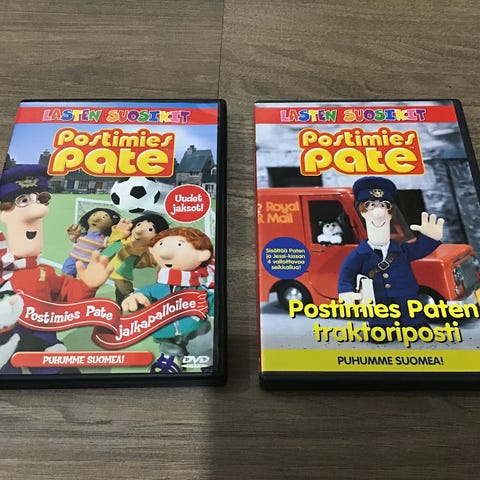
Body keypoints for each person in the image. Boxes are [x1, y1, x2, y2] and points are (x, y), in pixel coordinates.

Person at [0, 163, 112, 373]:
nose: (38, 207)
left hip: (43, 342)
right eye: (23, 200)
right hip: (2, 344)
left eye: (40, 199)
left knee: (62, 373)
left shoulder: (44, 272)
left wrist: (87, 284)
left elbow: (67, 293)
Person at [338, 176, 444, 329]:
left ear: (390, 212)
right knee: (381, 319)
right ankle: (382, 325)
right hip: (377, 296)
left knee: (412, 314)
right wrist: (346, 291)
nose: (378, 210)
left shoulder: (401, 250)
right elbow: (347, 272)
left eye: (383, 205)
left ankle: (414, 323)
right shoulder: (360, 255)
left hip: (406, 294)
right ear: (362, 211)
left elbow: (418, 249)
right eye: (371, 205)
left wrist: (431, 238)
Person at [121, 227, 214, 373]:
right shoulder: (160, 286)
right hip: (165, 327)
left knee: (202, 343)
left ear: (202, 254)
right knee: (166, 342)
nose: (164, 252)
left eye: (179, 244)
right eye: (161, 244)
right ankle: (171, 358)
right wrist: (137, 297)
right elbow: (148, 292)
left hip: (195, 327)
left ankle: (208, 362)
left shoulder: (197, 288)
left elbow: (210, 301)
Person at [102, 214, 169, 304]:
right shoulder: (123, 239)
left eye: (150, 230)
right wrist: (118, 231)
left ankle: (132, 302)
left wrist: (152, 250)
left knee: (125, 292)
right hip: (105, 267)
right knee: (114, 289)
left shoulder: (143, 250)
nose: (138, 230)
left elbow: (148, 261)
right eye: (138, 225)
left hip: (120, 275)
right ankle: (120, 302)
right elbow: (112, 242)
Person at [62, 207, 120, 276]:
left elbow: (113, 247)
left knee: (84, 280)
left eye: (103, 217)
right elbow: (74, 239)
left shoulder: (104, 239)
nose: (95, 219)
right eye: (94, 215)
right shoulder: (82, 235)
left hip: (88, 263)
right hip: (72, 259)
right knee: (66, 275)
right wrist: (72, 232)